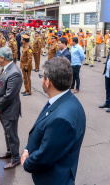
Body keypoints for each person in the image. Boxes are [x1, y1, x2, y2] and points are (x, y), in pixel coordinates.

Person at [21, 57, 86, 185]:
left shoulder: (61, 119)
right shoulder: (64, 100)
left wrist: (27, 163)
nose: (41, 79)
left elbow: (46, 155)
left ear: (48, 82)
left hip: (53, 179)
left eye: (42, 76)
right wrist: (28, 149)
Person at [0, 47, 23, 169]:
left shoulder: (14, 72)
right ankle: (10, 152)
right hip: (2, 107)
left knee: (12, 134)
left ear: (2, 58)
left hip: (9, 109)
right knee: (7, 132)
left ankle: (15, 159)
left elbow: (9, 95)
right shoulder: (4, 68)